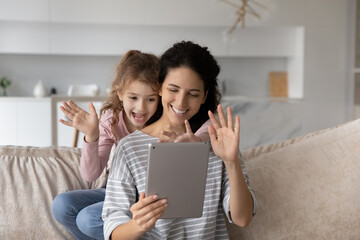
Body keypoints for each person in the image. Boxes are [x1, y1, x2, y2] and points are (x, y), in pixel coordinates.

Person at [102, 41, 257, 240]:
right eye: (173, 90)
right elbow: (114, 231)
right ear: (159, 88)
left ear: (204, 96)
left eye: (192, 94)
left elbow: (242, 218)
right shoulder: (130, 148)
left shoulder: (219, 144)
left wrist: (231, 161)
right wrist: (137, 224)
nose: (181, 102)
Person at [51, 50, 210, 240]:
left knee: (88, 218)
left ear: (160, 94)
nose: (141, 108)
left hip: (146, 196)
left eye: (150, 99)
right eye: (133, 98)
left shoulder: (165, 116)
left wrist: (196, 142)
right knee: (62, 205)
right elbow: (91, 174)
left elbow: (210, 125)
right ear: (119, 93)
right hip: (115, 191)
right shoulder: (112, 120)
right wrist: (92, 136)